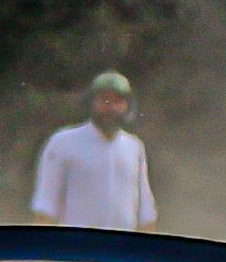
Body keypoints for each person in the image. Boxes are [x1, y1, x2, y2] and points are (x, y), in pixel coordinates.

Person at [31, 72, 157, 232]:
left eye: (118, 101)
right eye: (104, 100)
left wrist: (145, 253)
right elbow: (45, 205)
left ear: (127, 105)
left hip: (122, 251)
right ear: (91, 102)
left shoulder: (134, 147)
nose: (110, 107)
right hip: (76, 248)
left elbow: (146, 210)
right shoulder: (63, 142)